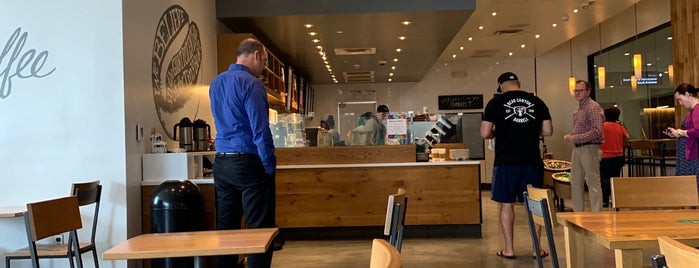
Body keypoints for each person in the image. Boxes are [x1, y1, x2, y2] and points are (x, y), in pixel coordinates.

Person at [209, 38, 276, 268]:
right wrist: (268, 165)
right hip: (248, 162)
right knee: (259, 231)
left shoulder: (216, 83)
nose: (264, 67)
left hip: (222, 164)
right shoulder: (252, 84)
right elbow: (260, 130)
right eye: (265, 61)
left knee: (226, 230)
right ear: (256, 55)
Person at [481, 72, 553, 259]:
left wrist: (497, 133)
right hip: (532, 161)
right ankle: (537, 249)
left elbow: (484, 133)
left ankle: (509, 249)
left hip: (506, 161)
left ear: (501, 85)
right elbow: (548, 130)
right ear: (518, 84)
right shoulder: (537, 102)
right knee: (534, 204)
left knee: (506, 205)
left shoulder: (494, 103)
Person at [564, 80, 604, 212]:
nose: (577, 93)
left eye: (580, 90)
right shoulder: (578, 108)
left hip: (589, 148)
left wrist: (575, 137)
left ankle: (596, 214)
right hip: (578, 148)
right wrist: (572, 135)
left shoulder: (593, 107)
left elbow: (597, 131)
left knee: (592, 182)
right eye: (575, 90)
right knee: (575, 182)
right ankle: (578, 213)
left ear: (588, 92)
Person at [666, 83, 699, 189]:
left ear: (687, 94)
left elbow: (697, 130)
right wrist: (677, 133)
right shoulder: (693, 111)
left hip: (693, 155)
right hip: (690, 154)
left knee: (691, 187)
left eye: (680, 99)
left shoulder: (697, 110)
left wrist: (680, 132)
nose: (680, 103)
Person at [599, 107, 629, 207]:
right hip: (619, 156)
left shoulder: (603, 126)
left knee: (605, 179)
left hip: (605, 156)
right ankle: (616, 200)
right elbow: (627, 137)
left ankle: (605, 201)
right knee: (615, 178)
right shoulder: (619, 126)